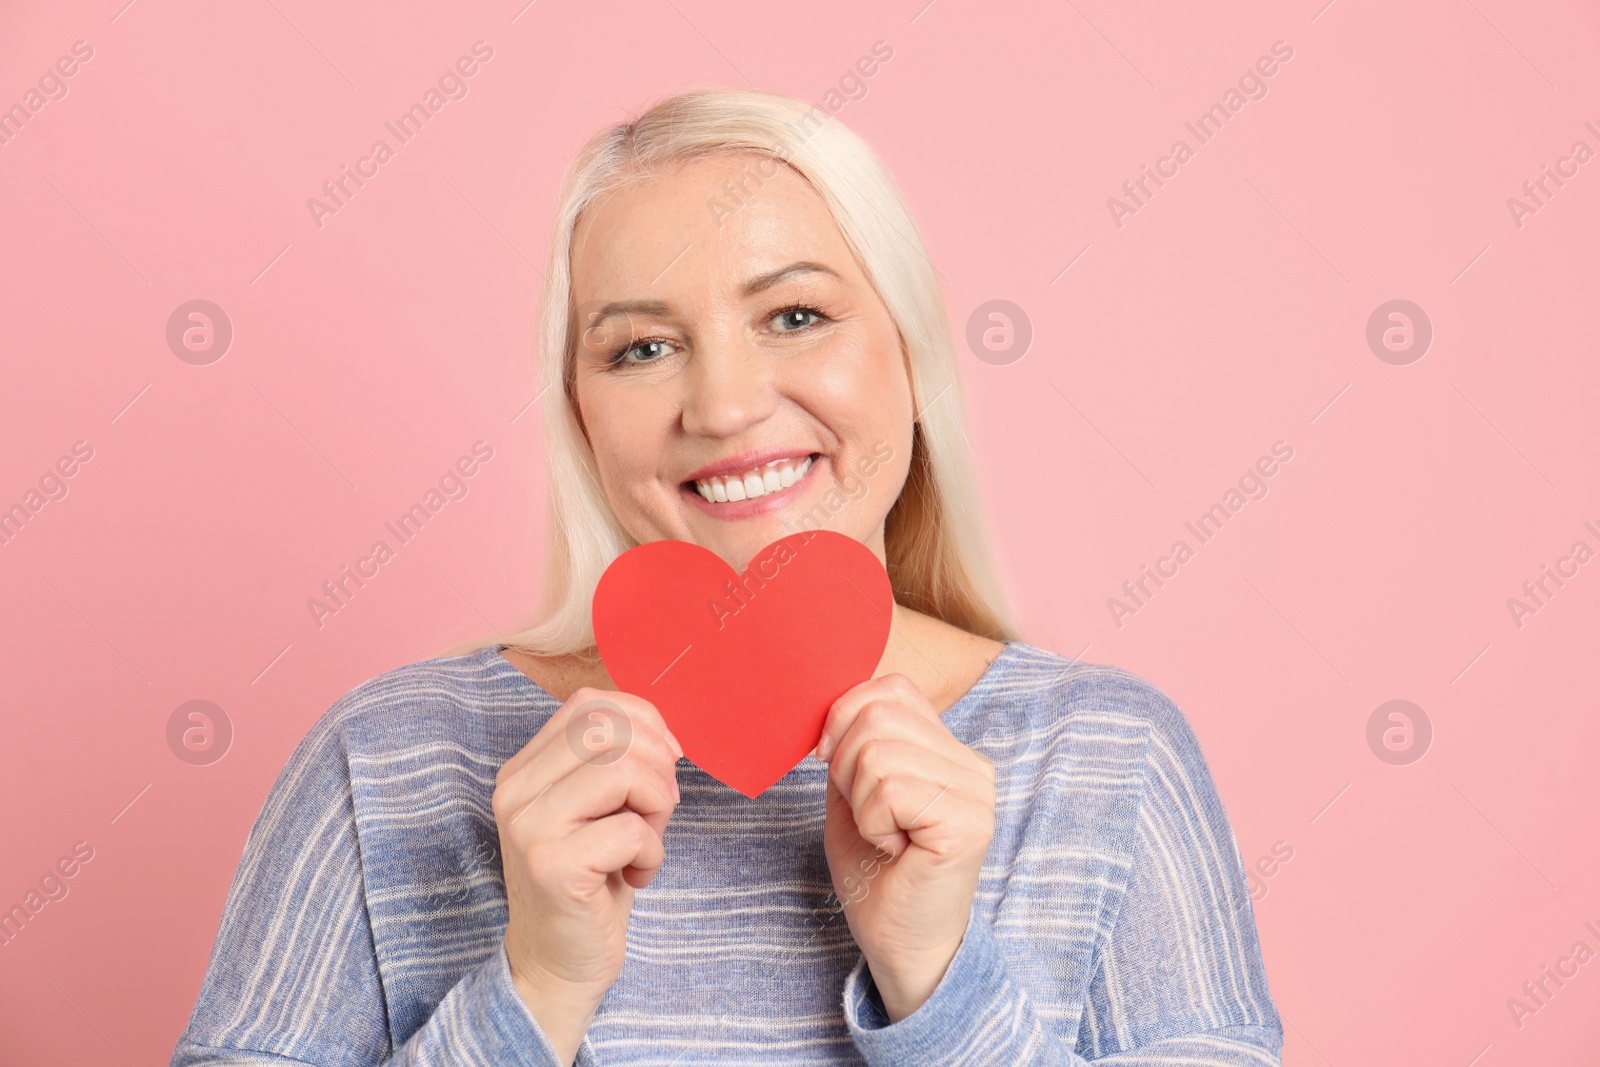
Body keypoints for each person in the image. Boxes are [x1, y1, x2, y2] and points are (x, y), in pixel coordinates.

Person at [170, 88, 1283, 1066]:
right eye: (641, 347)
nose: (726, 406)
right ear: (582, 416)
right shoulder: (388, 760)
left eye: (795, 316)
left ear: (911, 353)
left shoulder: (1109, 758)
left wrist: (942, 979)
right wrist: (535, 991)